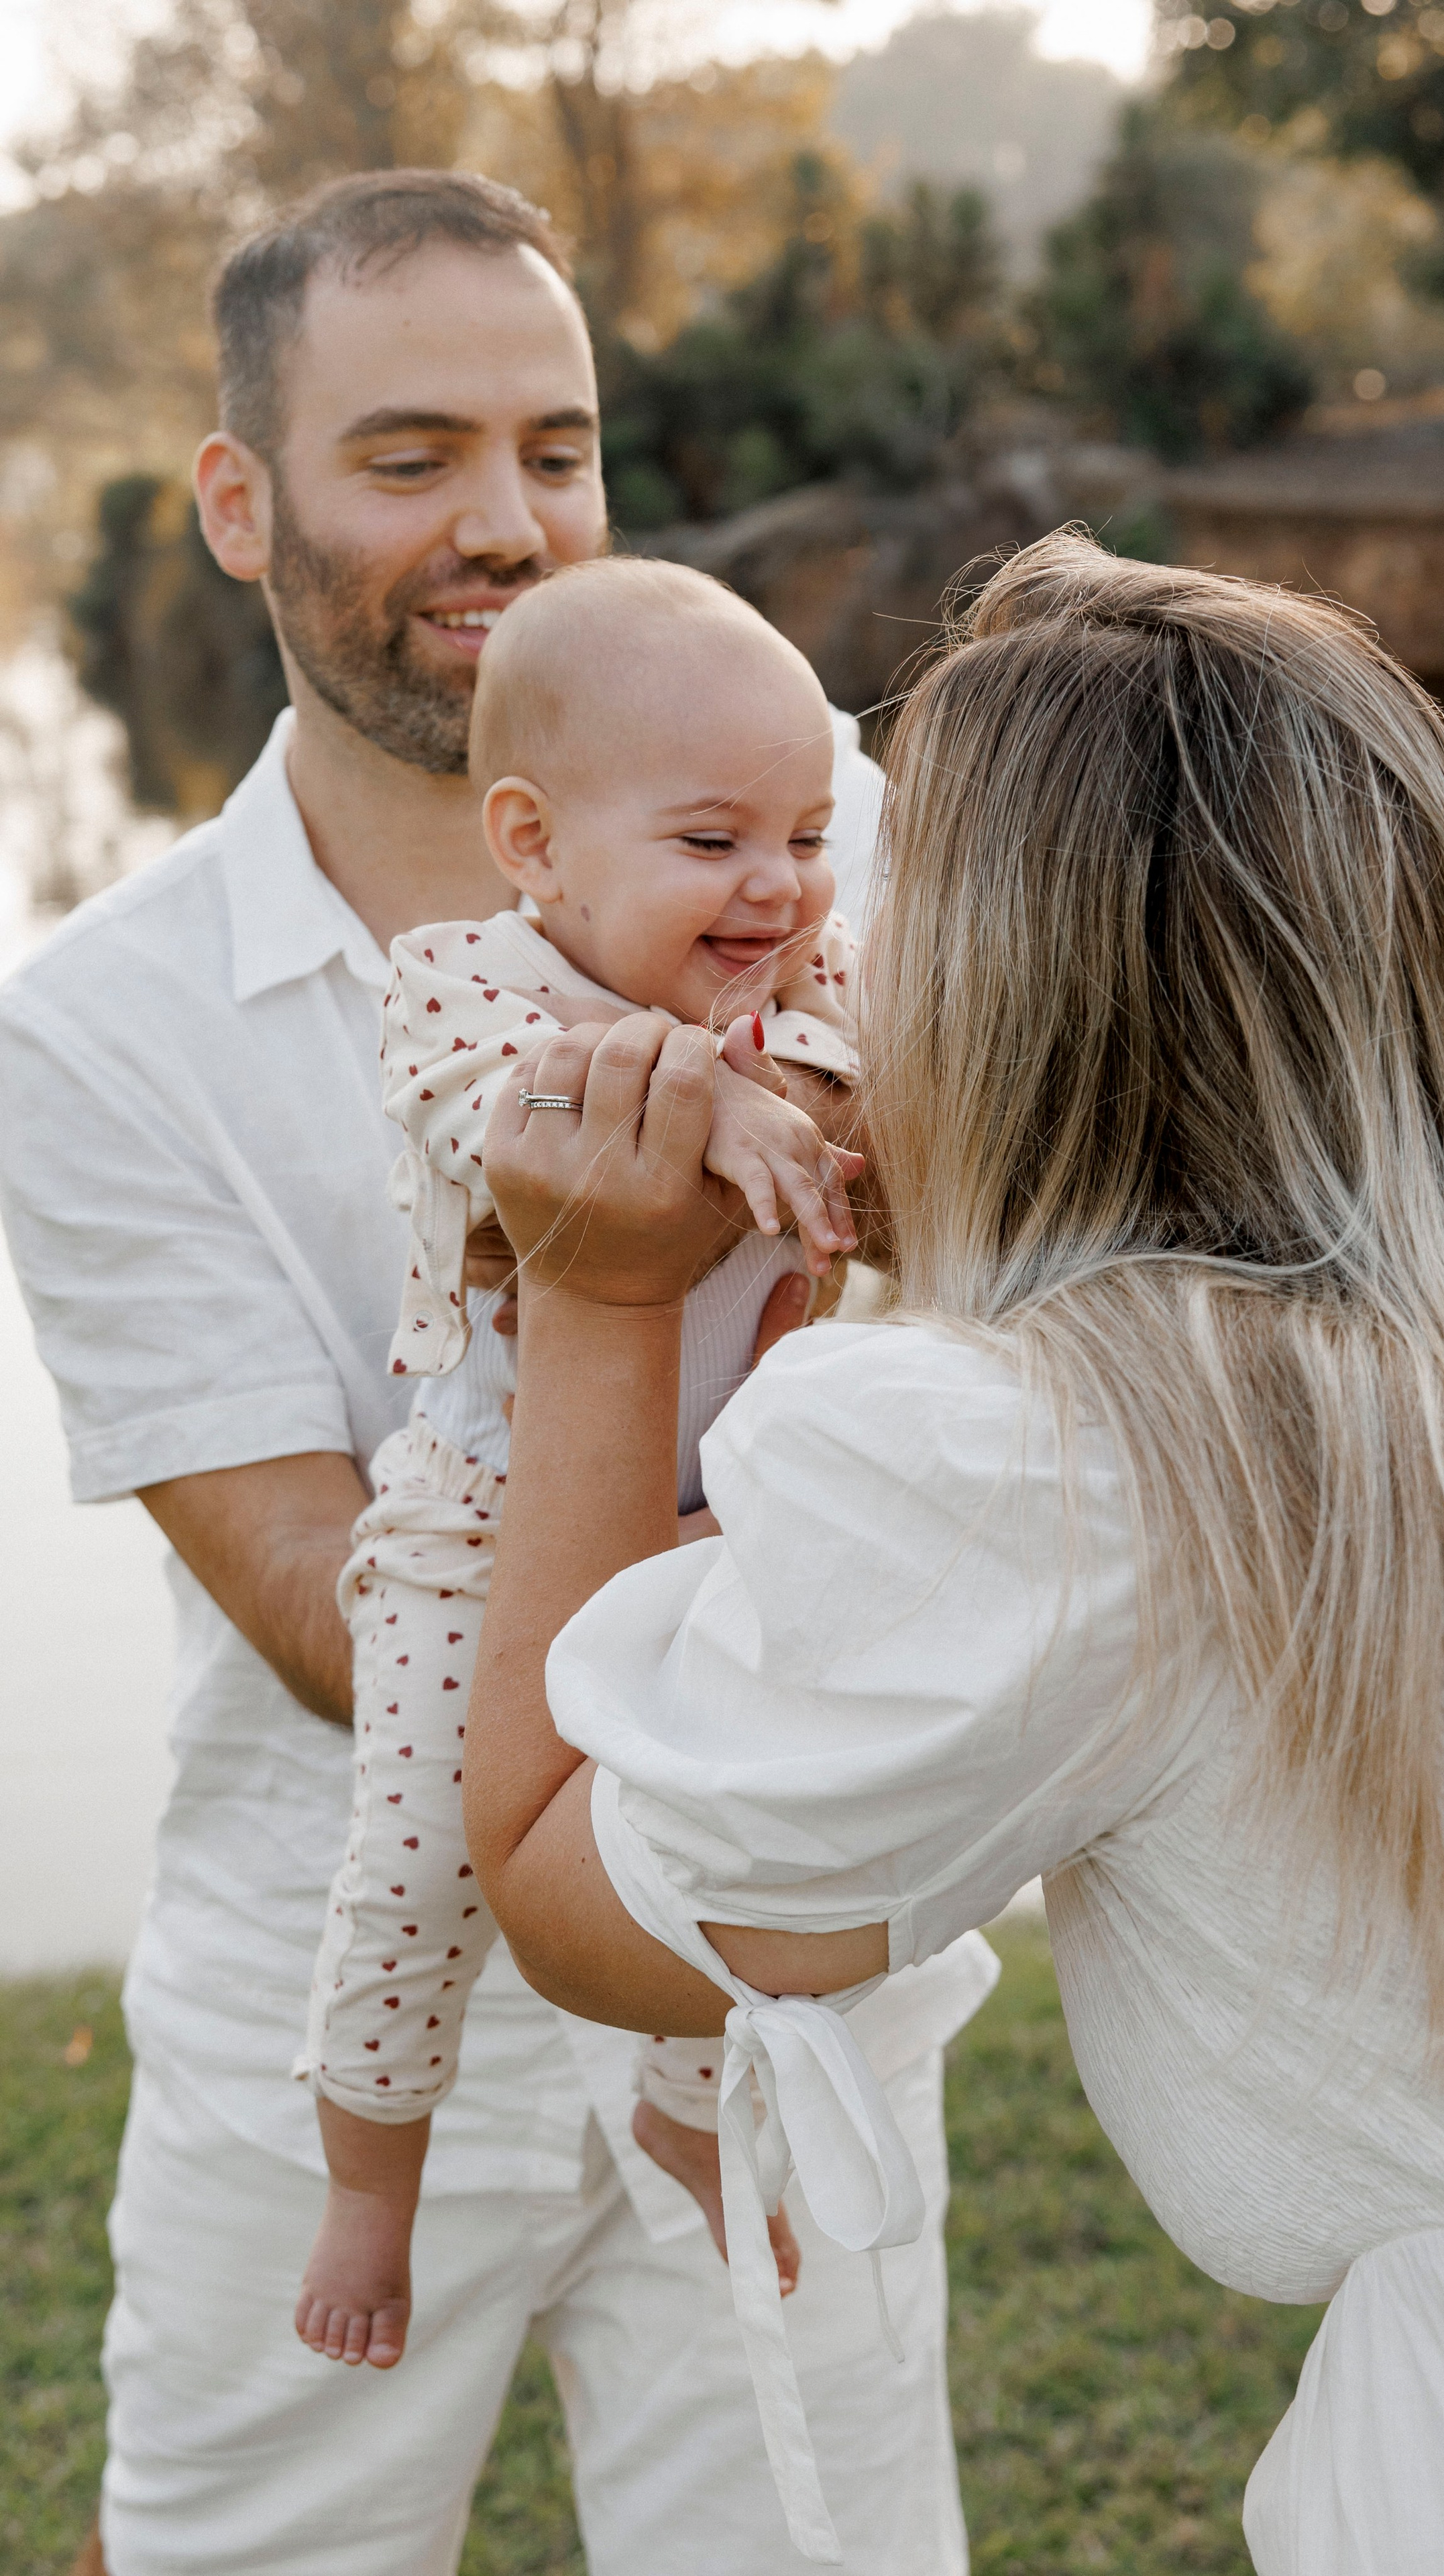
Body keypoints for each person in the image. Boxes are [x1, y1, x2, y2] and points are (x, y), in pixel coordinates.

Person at [463, 532, 1444, 2573]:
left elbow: (560, 1883)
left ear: (1012, 992)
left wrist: (602, 1307)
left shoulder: (1051, 1467)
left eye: (881, 903)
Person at [0, 170, 993, 2576]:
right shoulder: (90, 1026)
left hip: (769, 1955)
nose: (509, 525)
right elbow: (336, 1620)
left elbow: (1013, 1322)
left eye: (557, 448)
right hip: (341, 1993)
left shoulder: (835, 840)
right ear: (237, 502)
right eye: (413, 452)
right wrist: (610, 1300)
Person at [297, 557, 867, 2368]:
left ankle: (691, 2112)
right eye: (713, 841)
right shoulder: (460, 987)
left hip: (717, 1520)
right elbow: (525, 1121)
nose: (775, 885)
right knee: (415, 1878)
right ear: (533, 845)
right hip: (480, 1536)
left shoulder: (812, 989)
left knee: (724, 1839)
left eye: (803, 832)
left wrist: (833, 1104)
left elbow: (883, 1134)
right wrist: (715, 1095)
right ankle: (368, 2186)